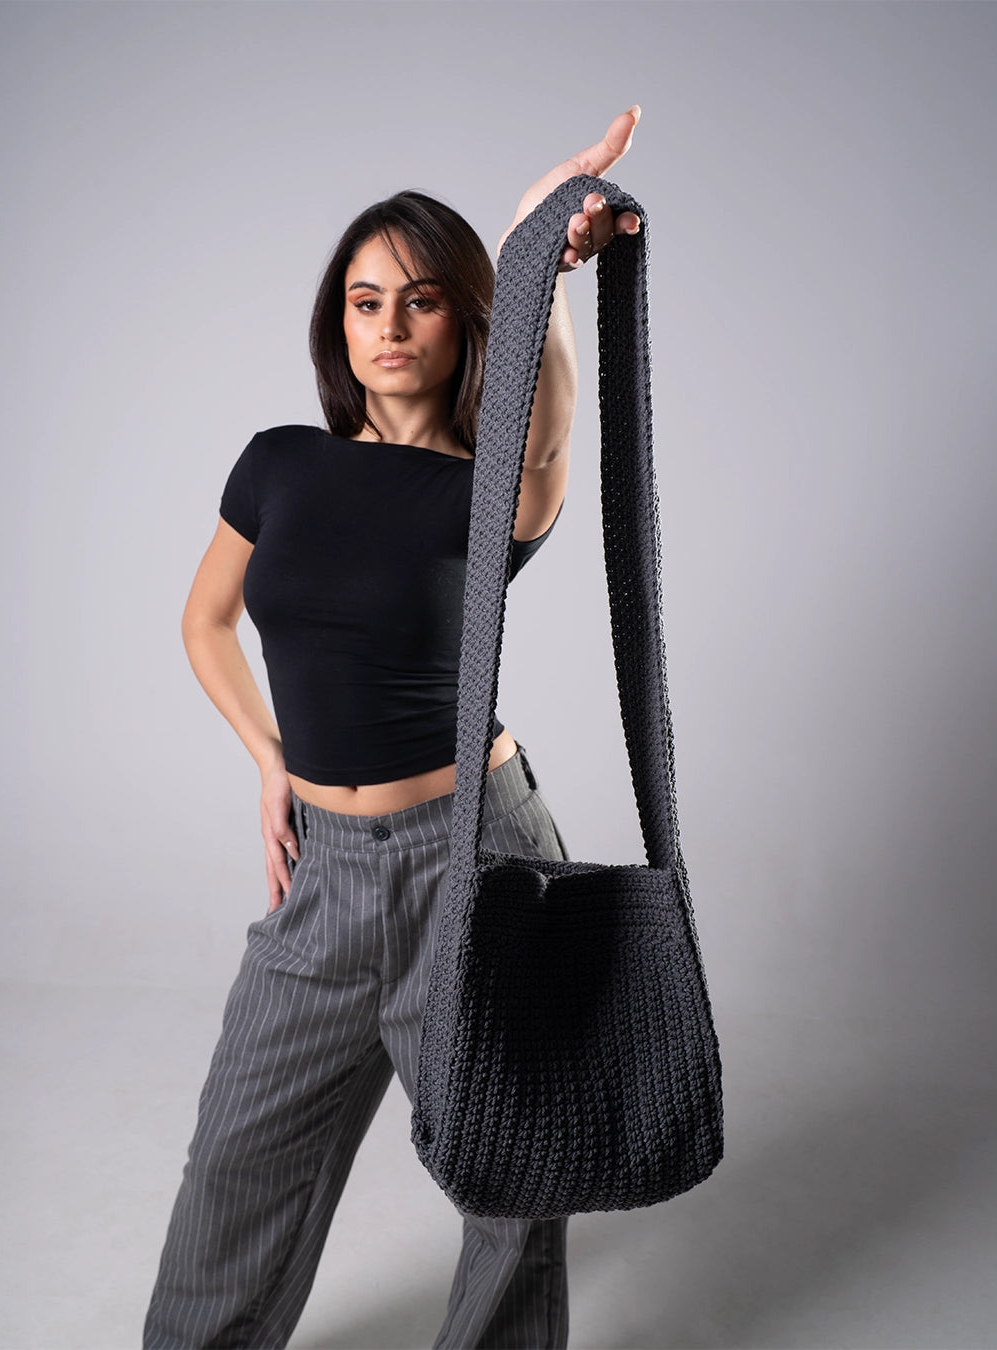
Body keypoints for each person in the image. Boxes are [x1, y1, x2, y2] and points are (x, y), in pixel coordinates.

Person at [143, 108, 643, 1350]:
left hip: (470, 858)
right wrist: (271, 763)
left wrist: (545, 258)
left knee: (510, 1170)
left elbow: (546, 432)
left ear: (463, 317)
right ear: (339, 326)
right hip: (324, 872)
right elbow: (205, 624)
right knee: (236, 1163)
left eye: (420, 301)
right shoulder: (279, 464)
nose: (391, 326)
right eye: (366, 303)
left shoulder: (485, 491)